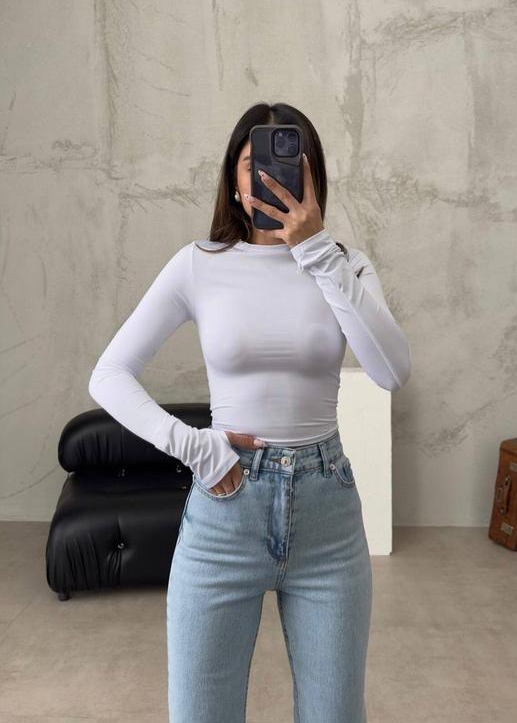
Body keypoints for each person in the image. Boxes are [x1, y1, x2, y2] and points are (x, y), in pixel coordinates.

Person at [88, 102, 411, 723]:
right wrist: (193, 445)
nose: (269, 175)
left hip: (326, 514)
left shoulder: (346, 265)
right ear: (234, 182)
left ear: (313, 176)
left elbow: (391, 372)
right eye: (252, 162)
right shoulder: (199, 264)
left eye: (291, 160)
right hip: (224, 512)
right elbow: (109, 374)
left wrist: (316, 251)